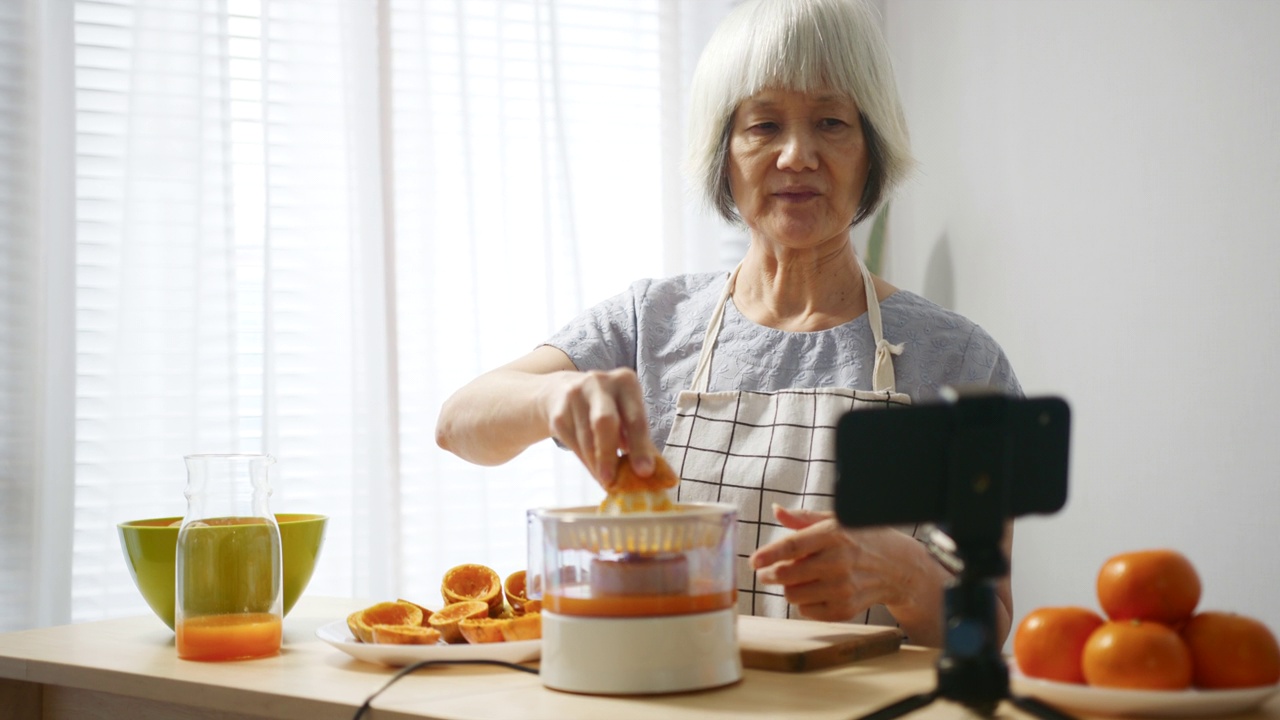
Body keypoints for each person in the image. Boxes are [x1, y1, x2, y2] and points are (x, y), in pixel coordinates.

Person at [435, 0, 1020, 648]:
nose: (797, 155)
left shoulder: (963, 361)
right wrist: (552, 396)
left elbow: (985, 627)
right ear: (723, 153)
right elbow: (460, 423)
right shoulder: (649, 324)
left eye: (831, 121)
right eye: (763, 125)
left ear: (871, 149)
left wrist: (906, 576)